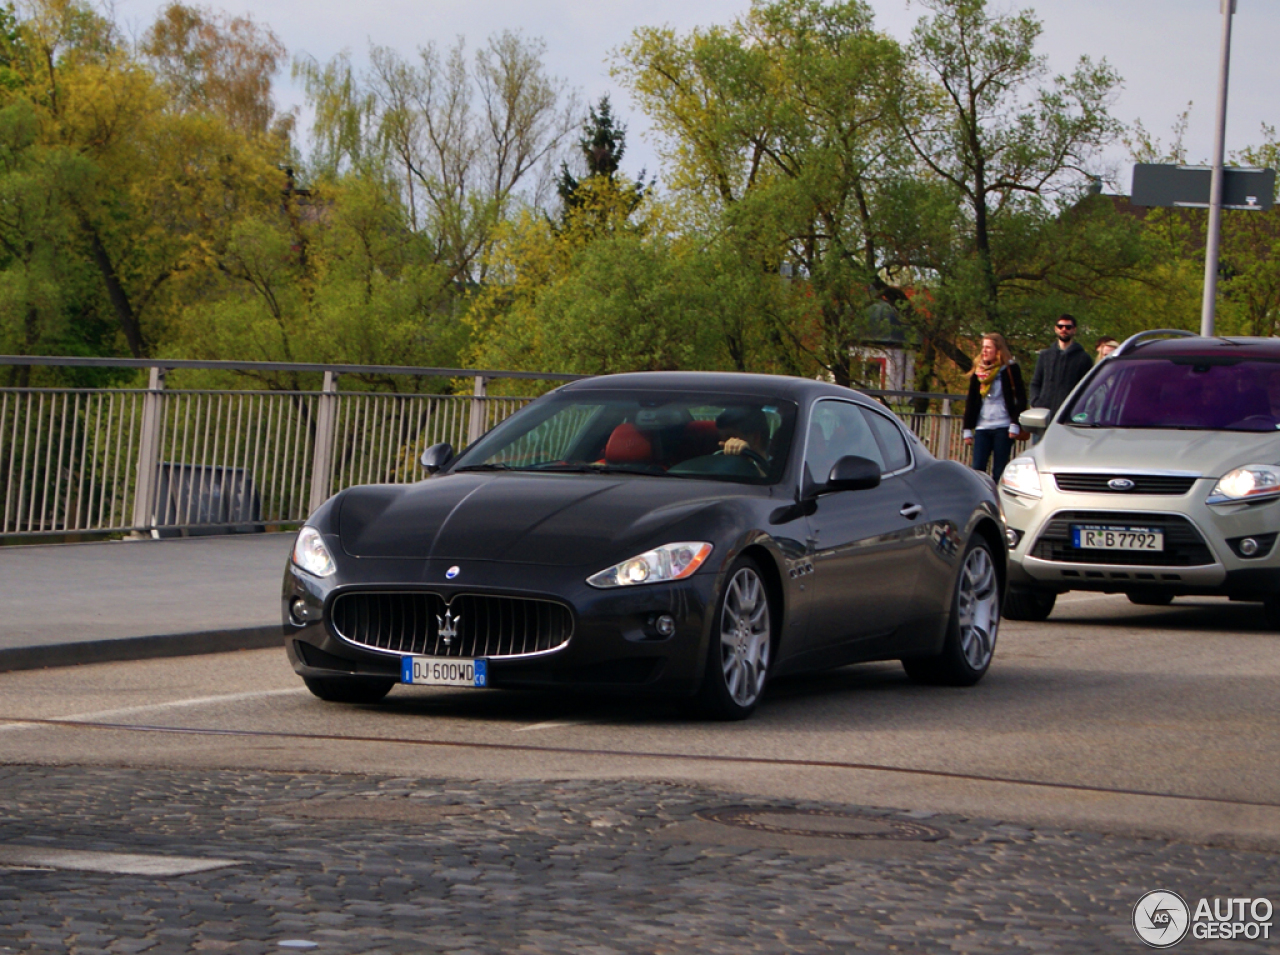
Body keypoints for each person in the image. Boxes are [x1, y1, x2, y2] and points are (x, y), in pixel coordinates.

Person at [962, 333, 1027, 481]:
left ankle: (998, 501)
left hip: (1003, 426)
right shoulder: (979, 371)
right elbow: (972, 400)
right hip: (982, 426)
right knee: (978, 469)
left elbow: (1020, 397)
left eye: (988, 347)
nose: (984, 351)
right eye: (983, 347)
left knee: (999, 470)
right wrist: (967, 428)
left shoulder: (1009, 369)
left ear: (998, 349)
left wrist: (1015, 423)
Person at [1029, 314, 1093, 415]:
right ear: (1055, 329)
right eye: (1060, 326)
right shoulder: (1045, 355)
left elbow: (1087, 388)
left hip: (1068, 414)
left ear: (1074, 330)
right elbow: (1035, 382)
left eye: (1068, 327)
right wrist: (1035, 401)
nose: (1064, 329)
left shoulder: (1083, 358)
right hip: (1044, 413)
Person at [716, 406, 771, 475]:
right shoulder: (718, 464)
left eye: (730, 437)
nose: (721, 443)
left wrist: (747, 463)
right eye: (721, 438)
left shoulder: (782, 468)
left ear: (755, 438)